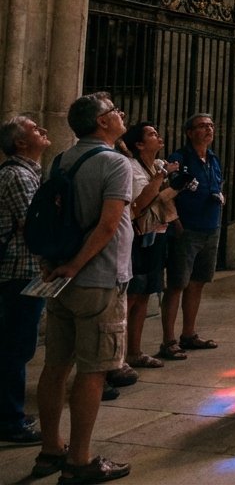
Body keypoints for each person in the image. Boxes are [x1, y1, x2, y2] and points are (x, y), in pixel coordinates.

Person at [35, 93, 133, 482]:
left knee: (56, 365)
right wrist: (77, 264)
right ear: (101, 122)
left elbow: (49, 213)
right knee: (94, 369)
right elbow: (109, 224)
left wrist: (57, 264)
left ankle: (49, 449)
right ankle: (79, 460)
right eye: (114, 111)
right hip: (98, 278)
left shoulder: (63, 158)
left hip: (62, 279)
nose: (121, 114)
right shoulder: (114, 162)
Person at [0, 116, 51, 444]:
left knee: (18, 345)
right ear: (20, 143)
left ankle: (10, 412)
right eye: (35, 129)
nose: (43, 131)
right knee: (15, 348)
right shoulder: (18, 175)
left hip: (26, 269)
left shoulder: (27, 173)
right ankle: (9, 420)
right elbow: (35, 225)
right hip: (19, 271)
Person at [159, 113, 224, 360]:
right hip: (187, 229)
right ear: (189, 132)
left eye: (210, 125)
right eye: (201, 126)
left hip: (211, 227)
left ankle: (189, 333)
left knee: (197, 282)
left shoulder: (213, 158)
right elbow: (167, 191)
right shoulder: (180, 158)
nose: (208, 130)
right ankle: (168, 340)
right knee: (177, 284)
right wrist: (175, 221)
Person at [121, 122, 184, 370]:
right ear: (138, 144)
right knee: (132, 295)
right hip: (138, 237)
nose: (158, 136)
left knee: (146, 294)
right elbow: (140, 203)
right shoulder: (132, 167)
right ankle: (119, 357)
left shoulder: (159, 165)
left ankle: (135, 352)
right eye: (151, 134)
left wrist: (174, 184)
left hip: (157, 234)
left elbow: (162, 200)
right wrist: (161, 178)